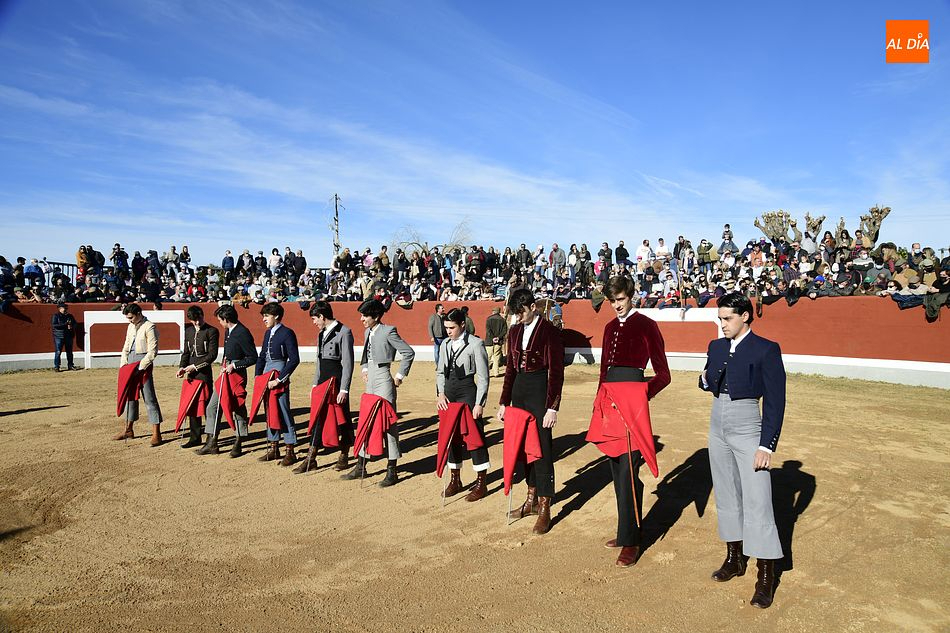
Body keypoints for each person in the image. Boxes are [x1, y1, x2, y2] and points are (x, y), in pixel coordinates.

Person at [700, 292, 786, 609]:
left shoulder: (766, 349)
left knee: (758, 498)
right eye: (720, 318)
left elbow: (775, 400)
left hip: (749, 424)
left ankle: (765, 576)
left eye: (728, 318)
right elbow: (709, 380)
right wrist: (704, 379)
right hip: (717, 422)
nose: (722, 324)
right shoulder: (716, 346)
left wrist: (766, 444)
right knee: (726, 492)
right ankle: (735, 558)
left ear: (745, 316)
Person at [588, 276, 670, 567]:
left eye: (620, 299)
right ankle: (627, 531)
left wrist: (640, 394)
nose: (616, 306)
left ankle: (632, 540)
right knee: (616, 469)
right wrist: (599, 402)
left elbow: (663, 375)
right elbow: (604, 371)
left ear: (631, 296)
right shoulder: (610, 327)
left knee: (628, 473)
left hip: (631, 406)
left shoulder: (647, 325)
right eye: (612, 301)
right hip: (610, 403)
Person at [498, 288, 564, 535]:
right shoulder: (514, 331)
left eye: (521, 312)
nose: (518, 317)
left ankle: (545, 505)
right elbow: (510, 370)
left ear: (533, 307)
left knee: (543, 448)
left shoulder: (549, 331)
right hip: (519, 393)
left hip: (539, 391)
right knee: (524, 448)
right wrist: (504, 402)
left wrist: (552, 407)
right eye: (515, 313)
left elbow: (556, 372)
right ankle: (531, 500)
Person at [342, 299, 415, 487]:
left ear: (375, 316)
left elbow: (408, 352)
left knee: (388, 424)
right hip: (371, 380)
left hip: (383, 378)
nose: (361, 319)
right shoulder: (368, 331)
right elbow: (366, 355)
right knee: (367, 420)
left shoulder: (388, 331)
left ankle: (392, 470)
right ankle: (361, 465)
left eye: (365, 316)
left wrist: (400, 375)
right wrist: (365, 368)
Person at [436, 308, 491, 501]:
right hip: (449, 395)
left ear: (462, 325)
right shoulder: (444, 344)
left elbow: (483, 377)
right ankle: (455, 480)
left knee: (474, 436)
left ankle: (481, 483)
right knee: (452, 436)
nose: (448, 331)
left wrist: (479, 403)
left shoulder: (475, 343)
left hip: (468, 393)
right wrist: (440, 393)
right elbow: (440, 372)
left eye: (451, 328)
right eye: (446, 328)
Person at [295, 301, 355, 473]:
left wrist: (344, 389)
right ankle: (311, 458)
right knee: (318, 418)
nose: (314, 322)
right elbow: (319, 362)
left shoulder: (344, 331)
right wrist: (315, 384)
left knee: (342, 418)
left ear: (322, 316)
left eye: (315, 319)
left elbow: (348, 363)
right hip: (322, 382)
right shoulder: (321, 333)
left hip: (336, 382)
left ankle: (344, 454)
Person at [196, 304, 258, 458]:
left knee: (237, 406)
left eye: (220, 320)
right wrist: (224, 364)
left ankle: (239, 441)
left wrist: (234, 366)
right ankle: (212, 442)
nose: (219, 323)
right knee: (212, 407)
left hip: (237, 375)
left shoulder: (242, 332)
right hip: (226, 372)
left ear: (226, 319)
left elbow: (252, 357)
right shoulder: (228, 331)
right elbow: (227, 352)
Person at [255, 302, 300, 466]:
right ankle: (274, 447)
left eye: (266, 316)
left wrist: (280, 379)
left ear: (276, 316)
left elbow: (294, 359)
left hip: (279, 373)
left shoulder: (287, 333)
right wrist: (258, 376)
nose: (264, 319)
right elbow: (262, 356)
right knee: (269, 410)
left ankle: (290, 450)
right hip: (266, 375)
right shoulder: (268, 333)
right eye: (263, 316)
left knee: (283, 410)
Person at [116, 303, 163, 446]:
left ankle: (156, 433)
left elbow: (152, 352)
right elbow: (126, 347)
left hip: (143, 364)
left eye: (131, 317)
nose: (129, 320)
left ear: (138, 314)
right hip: (130, 363)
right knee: (130, 396)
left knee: (149, 397)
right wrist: (124, 365)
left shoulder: (149, 326)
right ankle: (128, 429)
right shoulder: (130, 326)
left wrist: (140, 367)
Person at [176, 305, 220, 449]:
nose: (196, 323)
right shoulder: (188, 331)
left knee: (207, 405)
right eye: (193, 320)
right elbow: (186, 352)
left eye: (198, 319)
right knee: (193, 405)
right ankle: (195, 437)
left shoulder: (211, 331)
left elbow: (212, 355)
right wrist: (182, 367)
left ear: (202, 315)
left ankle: (211, 438)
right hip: (191, 373)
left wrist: (195, 367)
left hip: (204, 373)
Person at [51, 302, 77, 371]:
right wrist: (65, 324)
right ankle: (57, 366)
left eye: (66, 308)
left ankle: (70, 365)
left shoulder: (70, 316)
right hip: (59, 336)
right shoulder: (56, 316)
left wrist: (71, 326)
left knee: (69, 352)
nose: (65, 309)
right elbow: (55, 325)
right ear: (59, 309)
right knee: (58, 351)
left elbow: (75, 324)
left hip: (68, 335)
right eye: (64, 308)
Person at [484, 307, 508, 378]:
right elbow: (504, 331)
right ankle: (496, 373)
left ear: (493, 312)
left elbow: (488, 330)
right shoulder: (502, 320)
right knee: (496, 357)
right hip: (498, 342)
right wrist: (498, 337)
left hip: (489, 341)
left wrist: (493, 337)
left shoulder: (489, 319)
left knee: (488, 358)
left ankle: (486, 373)